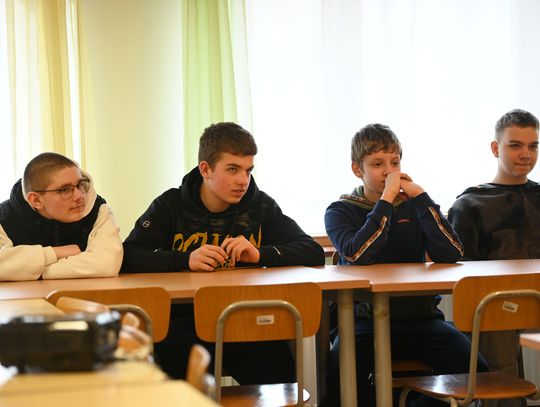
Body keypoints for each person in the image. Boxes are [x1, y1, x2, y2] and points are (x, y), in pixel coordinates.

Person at [121, 122, 325, 383]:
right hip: (184, 323)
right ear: (205, 169)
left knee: (281, 373)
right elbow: (129, 255)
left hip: (243, 317)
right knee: (175, 355)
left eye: (248, 170)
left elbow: (312, 251)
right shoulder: (170, 205)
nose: (243, 180)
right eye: (232, 169)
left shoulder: (260, 206)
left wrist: (259, 255)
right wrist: (186, 259)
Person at [322, 123, 489, 407]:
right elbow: (358, 254)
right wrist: (386, 200)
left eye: (395, 162)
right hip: (363, 323)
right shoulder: (340, 210)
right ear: (357, 169)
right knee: (340, 378)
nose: (389, 172)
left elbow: (452, 252)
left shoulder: (414, 205)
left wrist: (422, 199)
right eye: (377, 164)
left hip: (421, 319)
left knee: (476, 374)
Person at [448, 108, 540, 407]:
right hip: (498, 304)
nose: (526, 154)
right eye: (515, 145)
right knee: (493, 319)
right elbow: (462, 274)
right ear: (495, 148)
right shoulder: (470, 204)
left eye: (533, 146)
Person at [0, 152, 123, 281]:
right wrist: (55, 252)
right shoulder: (5, 218)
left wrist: (29, 270)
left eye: (79, 185)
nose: (79, 196)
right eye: (65, 190)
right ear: (36, 200)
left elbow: (107, 264)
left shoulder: (98, 209)